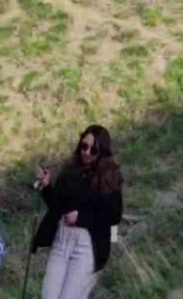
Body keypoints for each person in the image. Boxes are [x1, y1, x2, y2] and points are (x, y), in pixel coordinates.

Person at [31, 125, 124, 299]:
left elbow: (114, 216)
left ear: (102, 151)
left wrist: (81, 218)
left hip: (87, 244)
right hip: (61, 240)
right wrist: (46, 186)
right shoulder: (70, 171)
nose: (87, 152)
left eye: (93, 149)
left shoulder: (110, 176)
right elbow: (56, 206)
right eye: (84, 146)